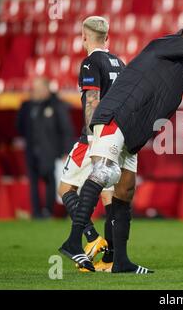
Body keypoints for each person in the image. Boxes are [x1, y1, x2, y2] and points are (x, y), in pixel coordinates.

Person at [58, 26, 183, 273]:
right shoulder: (163, 45)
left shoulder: (179, 73)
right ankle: (73, 241)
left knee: (125, 190)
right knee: (102, 172)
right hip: (117, 116)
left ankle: (119, 261)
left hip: (132, 133)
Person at [58, 16, 125, 272]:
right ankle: (110, 259)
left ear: (84, 37)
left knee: (65, 188)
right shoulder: (120, 62)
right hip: (116, 138)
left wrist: (91, 138)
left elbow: (92, 102)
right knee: (109, 198)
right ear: (107, 37)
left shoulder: (90, 62)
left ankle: (91, 238)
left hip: (94, 138)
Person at [17, 77, 74, 219]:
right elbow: (19, 126)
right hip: (32, 151)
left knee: (50, 181)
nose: (36, 91)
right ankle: (36, 212)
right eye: (35, 89)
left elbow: (66, 129)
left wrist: (66, 150)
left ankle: (49, 211)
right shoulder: (28, 106)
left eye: (40, 88)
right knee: (34, 183)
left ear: (47, 89)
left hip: (51, 151)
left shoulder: (56, 105)